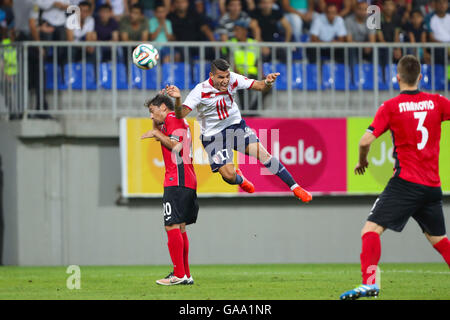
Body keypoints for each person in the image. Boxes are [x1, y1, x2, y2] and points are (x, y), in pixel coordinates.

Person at [340, 55, 450, 300]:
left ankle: (369, 283)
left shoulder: (390, 107)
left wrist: (362, 160)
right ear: (421, 77)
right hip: (432, 186)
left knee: (370, 230)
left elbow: (365, 140)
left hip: (406, 182)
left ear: (397, 77)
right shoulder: (437, 102)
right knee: (439, 239)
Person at [162, 58, 313, 203]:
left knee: (263, 154)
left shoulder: (233, 79)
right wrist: (177, 99)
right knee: (229, 176)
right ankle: (239, 178)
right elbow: (181, 114)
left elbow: (260, 86)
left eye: (227, 76)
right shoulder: (199, 91)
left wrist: (267, 82)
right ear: (211, 76)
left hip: (235, 126)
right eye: (221, 77)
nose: (225, 80)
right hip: (213, 137)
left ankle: (295, 187)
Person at [141, 94, 198, 286]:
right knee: (180, 227)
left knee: (171, 225)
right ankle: (185, 274)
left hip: (177, 178)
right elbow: (160, 131)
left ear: (164, 108)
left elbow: (176, 146)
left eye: (152, 111)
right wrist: (157, 129)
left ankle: (179, 274)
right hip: (187, 178)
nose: (150, 116)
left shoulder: (173, 120)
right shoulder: (173, 121)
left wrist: (157, 134)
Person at [427, 0, 450, 65]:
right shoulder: (429, 18)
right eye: (440, 3)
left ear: (447, 5)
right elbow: (431, 37)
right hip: (438, 47)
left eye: (444, 3)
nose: (442, 5)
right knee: (439, 51)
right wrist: (445, 47)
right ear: (435, 4)